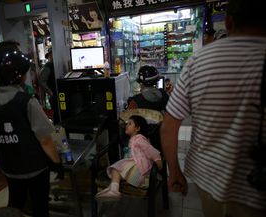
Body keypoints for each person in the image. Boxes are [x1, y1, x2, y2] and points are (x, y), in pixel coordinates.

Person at [160, 0, 266, 216]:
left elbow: (168, 125)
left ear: (228, 21)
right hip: (258, 189)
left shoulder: (199, 60)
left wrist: (175, 172)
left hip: (209, 178)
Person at [0, 47, 63, 217]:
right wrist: (57, 163)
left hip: (9, 167)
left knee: (15, 204)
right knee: (40, 206)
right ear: (19, 75)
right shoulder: (27, 102)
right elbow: (45, 140)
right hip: (35, 167)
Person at [95, 115, 162, 201]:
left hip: (138, 168)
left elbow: (152, 151)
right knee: (116, 170)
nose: (126, 125)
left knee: (116, 169)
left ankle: (113, 190)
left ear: (137, 128)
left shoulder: (139, 139)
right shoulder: (133, 139)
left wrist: (159, 164)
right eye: (126, 123)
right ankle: (112, 188)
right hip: (136, 166)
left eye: (130, 124)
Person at [38, 48, 59, 124]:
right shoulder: (48, 66)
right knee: (57, 115)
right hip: (54, 95)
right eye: (51, 55)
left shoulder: (55, 65)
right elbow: (41, 81)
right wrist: (50, 92)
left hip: (57, 94)